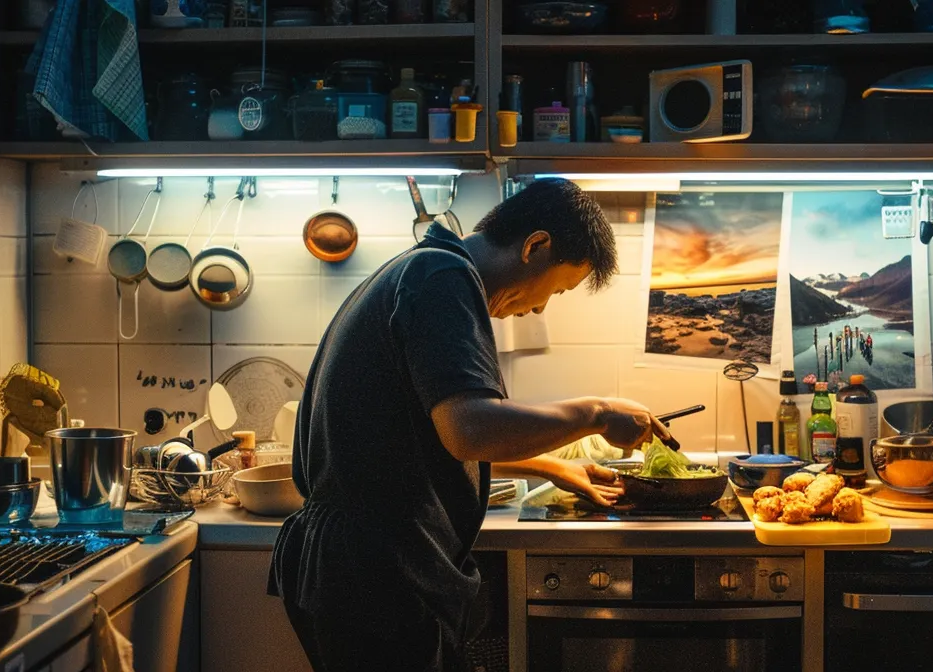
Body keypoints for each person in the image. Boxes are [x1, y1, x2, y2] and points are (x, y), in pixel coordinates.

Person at [269, 179, 673, 671]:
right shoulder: (442, 274)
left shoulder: (419, 269)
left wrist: (550, 466)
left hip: (359, 568)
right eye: (559, 286)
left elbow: (436, 435)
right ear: (536, 245)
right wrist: (597, 413)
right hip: (376, 573)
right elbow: (469, 430)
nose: (542, 306)